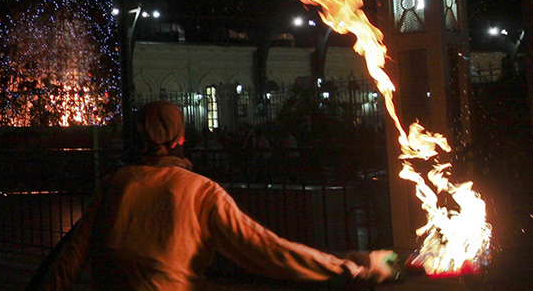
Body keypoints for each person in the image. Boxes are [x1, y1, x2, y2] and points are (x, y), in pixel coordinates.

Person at [42, 101, 397, 291]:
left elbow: (69, 259)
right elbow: (266, 250)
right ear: (180, 139)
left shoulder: (112, 185)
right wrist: (351, 267)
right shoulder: (201, 192)